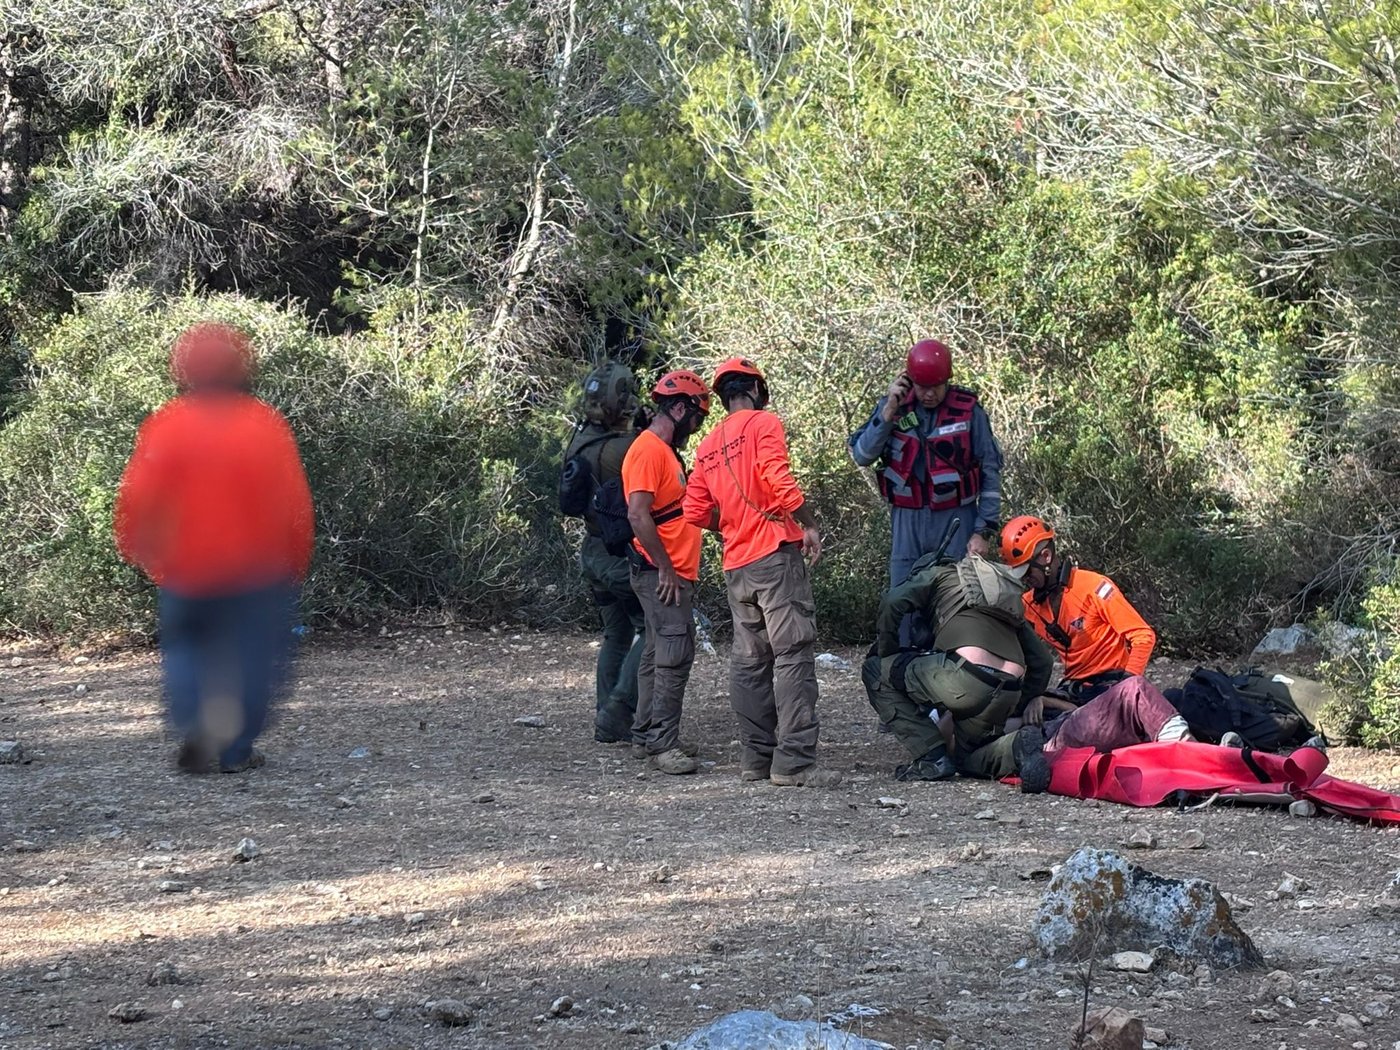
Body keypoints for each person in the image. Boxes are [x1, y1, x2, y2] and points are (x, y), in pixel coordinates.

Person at [114, 322, 314, 773]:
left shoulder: (167, 424)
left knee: (187, 648)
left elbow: (139, 497)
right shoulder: (263, 425)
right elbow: (292, 503)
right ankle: (236, 748)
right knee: (254, 660)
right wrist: (296, 559)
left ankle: (196, 723)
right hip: (254, 570)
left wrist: (138, 548)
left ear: (184, 371)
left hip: (186, 568)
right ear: (242, 368)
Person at [682, 356, 839, 788]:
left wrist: (731, 523)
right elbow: (779, 480)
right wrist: (808, 524)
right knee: (793, 655)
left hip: (737, 564)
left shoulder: (707, 444)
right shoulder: (764, 424)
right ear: (755, 388)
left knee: (749, 661)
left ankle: (757, 759)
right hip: (774, 555)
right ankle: (793, 763)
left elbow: (694, 511)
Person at [862, 552, 1054, 782]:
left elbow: (892, 601)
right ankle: (1016, 748)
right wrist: (1019, 703)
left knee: (875, 670)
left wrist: (887, 652)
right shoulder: (995, 596)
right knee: (967, 758)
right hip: (1008, 689)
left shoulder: (937, 575)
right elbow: (1043, 662)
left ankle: (931, 757)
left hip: (966, 678)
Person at [849, 338, 1003, 604]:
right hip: (908, 518)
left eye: (935, 387)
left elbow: (991, 471)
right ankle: (903, 647)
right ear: (910, 381)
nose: (928, 395)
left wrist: (982, 531)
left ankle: (954, 647)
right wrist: (887, 412)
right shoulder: (893, 406)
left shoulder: (969, 411)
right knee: (903, 598)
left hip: (957, 517)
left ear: (947, 380)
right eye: (922, 387)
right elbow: (863, 455)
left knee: (958, 597)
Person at [621, 370, 710, 775]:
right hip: (661, 573)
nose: (696, 426)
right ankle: (662, 744)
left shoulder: (665, 452)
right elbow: (638, 515)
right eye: (697, 418)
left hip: (668, 570)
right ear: (678, 409)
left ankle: (646, 735)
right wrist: (666, 568)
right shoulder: (647, 451)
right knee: (675, 652)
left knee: (658, 651)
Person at [562, 362, 647, 745]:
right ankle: (619, 710)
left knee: (616, 633)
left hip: (592, 552)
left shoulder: (579, 440)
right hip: (619, 555)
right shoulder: (624, 449)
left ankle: (605, 716)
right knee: (656, 631)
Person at [999, 515, 1157, 703]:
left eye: (1026, 571)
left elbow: (1143, 636)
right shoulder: (1028, 605)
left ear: (1046, 557)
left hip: (1111, 683)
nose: (1024, 579)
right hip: (1074, 688)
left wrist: (1128, 684)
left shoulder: (1094, 587)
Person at [1005, 675, 1195, 792]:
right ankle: (1194, 753)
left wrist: (1043, 700)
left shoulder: (1037, 692)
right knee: (1134, 689)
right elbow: (1006, 733)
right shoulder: (994, 704)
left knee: (1170, 697)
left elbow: (1075, 708)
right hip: (1054, 738)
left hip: (1071, 722)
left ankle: (1191, 750)